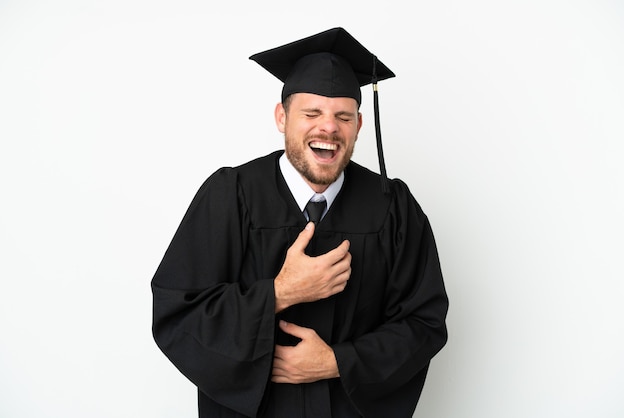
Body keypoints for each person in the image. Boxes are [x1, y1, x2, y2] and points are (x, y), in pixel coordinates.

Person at [151, 27, 448, 418]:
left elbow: (423, 323)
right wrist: (279, 293)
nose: (328, 127)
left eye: (343, 116)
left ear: (358, 125)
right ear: (281, 117)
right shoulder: (231, 195)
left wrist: (339, 362)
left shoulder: (392, 207)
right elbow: (178, 313)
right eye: (312, 113)